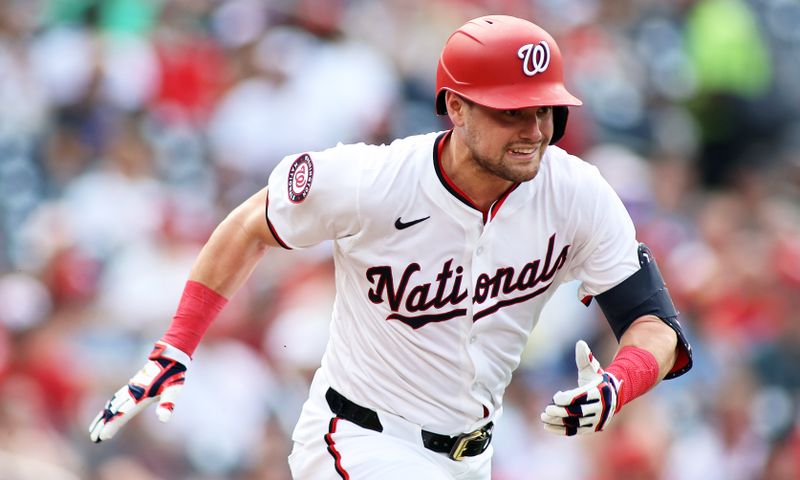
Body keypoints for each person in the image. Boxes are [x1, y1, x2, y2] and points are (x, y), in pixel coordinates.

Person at [89, 15, 692, 480]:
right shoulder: (372, 180)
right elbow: (252, 223)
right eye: (512, 112)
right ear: (455, 106)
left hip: (471, 455)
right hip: (356, 437)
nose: (534, 130)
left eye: (545, 109)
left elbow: (655, 326)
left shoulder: (577, 193)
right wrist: (178, 344)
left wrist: (617, 385)